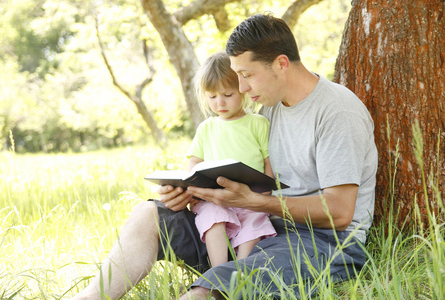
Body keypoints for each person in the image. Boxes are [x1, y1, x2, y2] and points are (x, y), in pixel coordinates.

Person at [70, 13, 377, 300]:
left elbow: (339, 212)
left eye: (246, 75)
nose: (241, 87)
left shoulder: (336, 111)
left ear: (281, 64)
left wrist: (256, 203)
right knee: (148, 214)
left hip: (319, 242)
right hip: (249, 225)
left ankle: (213, 281)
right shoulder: (268, 107)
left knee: (208, 291)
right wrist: (190, 190)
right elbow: (244, 170)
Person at [188, 51, 276, 267]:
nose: (220, 103)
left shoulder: (257, 123)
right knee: (212, 218)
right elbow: (194, 162)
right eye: (212, 97)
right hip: (215, 199)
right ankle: (219, 270)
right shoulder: (206, 128)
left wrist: (264, 192)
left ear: (242, 89)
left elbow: (268, 162)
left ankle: (240, 271)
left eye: (228, 95)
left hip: (250, 199)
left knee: (254, 222)